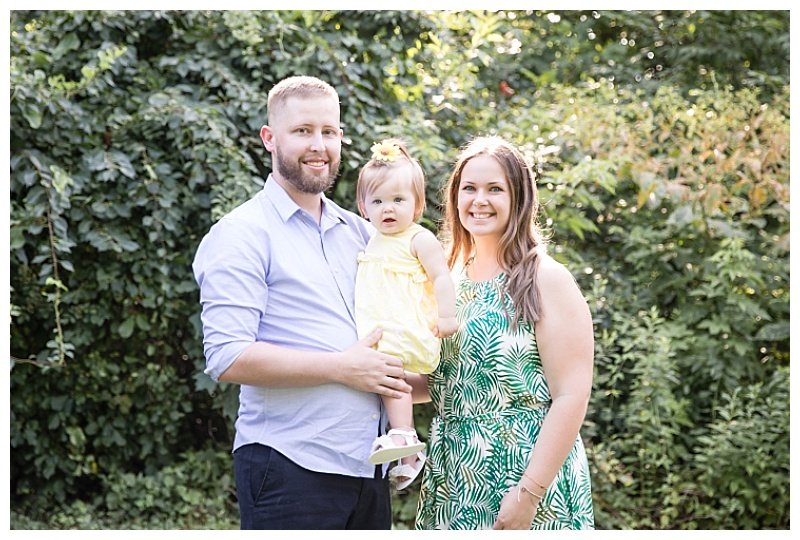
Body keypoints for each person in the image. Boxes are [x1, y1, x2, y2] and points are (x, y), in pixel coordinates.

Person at [192, 75, 412, 530]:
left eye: (329, 132)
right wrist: (340, 367)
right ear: (270, 139)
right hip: (289, 466)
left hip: (368, 468)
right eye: (303, 131)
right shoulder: (240, 235)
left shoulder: (363, 233)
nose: (319, 145)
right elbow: (228, 356)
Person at [413, 136, 595, 530]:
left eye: (495, 189)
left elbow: (571, 395)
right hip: (455, 476)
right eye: (470, 188)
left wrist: (528, 493)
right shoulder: (447, 279)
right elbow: (448, 379)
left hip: (525, 475)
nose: (480, 200)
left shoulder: (545, 279)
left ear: (519, 198)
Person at [353, 139, 459, 491]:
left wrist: (446, 317)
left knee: (390, 373)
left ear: (417, 205)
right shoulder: (370, 238)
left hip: (406, 322)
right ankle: (408, 453)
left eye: (399, 200)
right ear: (363, 206)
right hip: (379, 326)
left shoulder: (418, 238)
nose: (388, 209)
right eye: (378, 200)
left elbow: (441, 277)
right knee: (384, 377)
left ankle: (402, 435)